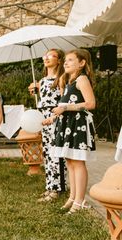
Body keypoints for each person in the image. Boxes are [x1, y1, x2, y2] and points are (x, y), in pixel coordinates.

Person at [45, 49, 96, 214]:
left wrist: (66, 107)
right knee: (70, 161)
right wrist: (53, 118)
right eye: (65, 60)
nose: (66, 63)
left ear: (81, 63)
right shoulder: (68, 82)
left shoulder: (82, 79)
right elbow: (62, 106)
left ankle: (80, 201)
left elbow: (90, 103)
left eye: (71, 60)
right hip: (67, 124)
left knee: (78, 162)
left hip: (78, 124)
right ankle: (73, 197)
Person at [28, 49, 67, 202]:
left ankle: (58, 189)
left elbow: (64, 101)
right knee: (47, 153)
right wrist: (35, 90)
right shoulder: (43, 80)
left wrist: (53, 117)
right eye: (45, 55)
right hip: (43, 118)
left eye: (51, 55)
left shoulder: (62, 78)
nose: (47, 58)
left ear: (59, 61)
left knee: (56, 153)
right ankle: (49, 186)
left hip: (55, 117)